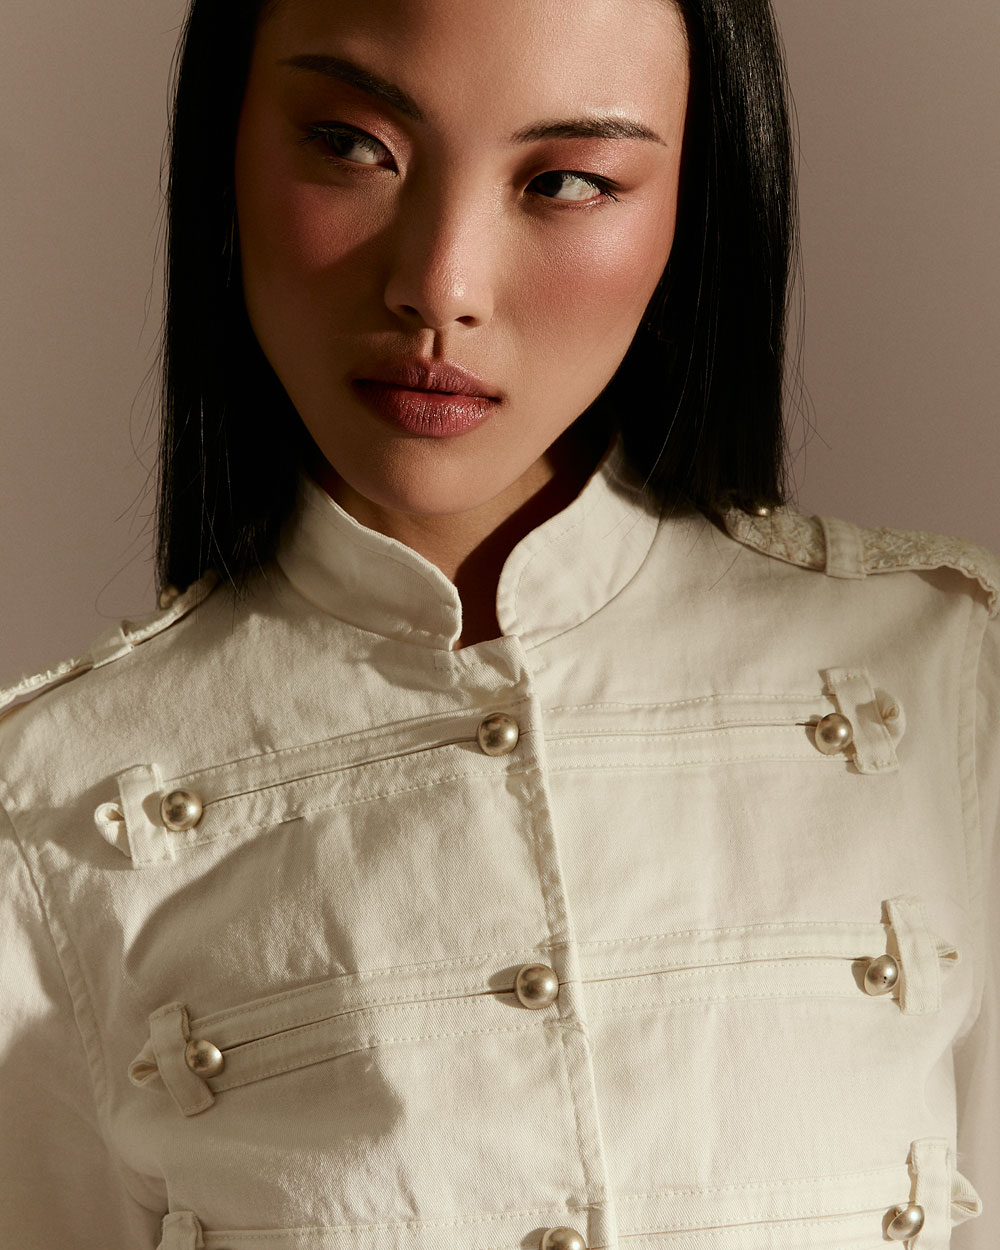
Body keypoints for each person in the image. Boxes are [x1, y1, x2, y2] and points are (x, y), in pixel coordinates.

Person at [0, 1, 996, 1248]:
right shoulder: (47, 809)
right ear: (227, 147)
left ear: (695, 200)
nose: (440, 285)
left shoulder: (950, 677)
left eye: (569, 180)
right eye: (352, 144)